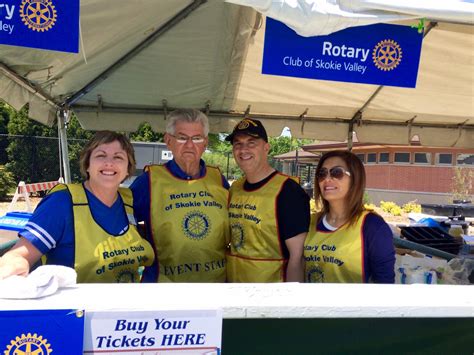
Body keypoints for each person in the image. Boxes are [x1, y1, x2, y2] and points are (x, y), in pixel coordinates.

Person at [0, 131, 154, 283]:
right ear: (87, 164)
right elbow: (18, 255)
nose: (109, 163)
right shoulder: (61, 203)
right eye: (101, 155)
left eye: (118, 157)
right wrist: (14, 264)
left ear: (128, 168)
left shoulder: (131, 201)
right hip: (74, 306)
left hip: (126, 305)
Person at [131, 109, 229, 282]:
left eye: (197, 138)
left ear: (205, 143)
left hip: (216, 288)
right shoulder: (149, 181)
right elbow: (122, 221)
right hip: (165, 290)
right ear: (168, 141)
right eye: (182, 138)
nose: (190, 145)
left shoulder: (219, 180)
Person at [226, 118, 309, 282]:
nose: (243, 150)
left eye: (251, 143)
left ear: (266, 148)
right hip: (234, 292)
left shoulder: (288, 191)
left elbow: (297, 258)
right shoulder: (235, 188)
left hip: (271, 297)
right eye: (238, 144)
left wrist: (290, 304)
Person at [304, 150, 395, 283]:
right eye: (322, 174)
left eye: (337, 173)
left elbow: (385, 285)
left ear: (355, 179)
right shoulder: (310, 222)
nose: (327, 179)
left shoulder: (373, 227)